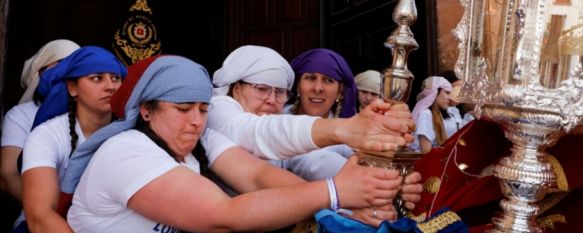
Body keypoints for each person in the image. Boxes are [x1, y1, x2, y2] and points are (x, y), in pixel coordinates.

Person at [65, 55, 421, 232]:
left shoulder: (199, 139)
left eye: (203, 109)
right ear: (146, 111)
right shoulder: (127, 150)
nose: (196, 120)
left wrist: (349, 202)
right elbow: (225, 216)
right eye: (182, 109)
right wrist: (335, 191)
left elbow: (258, 177)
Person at [20, 46, 126, 233]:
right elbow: (40, 217)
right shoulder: (46, 136)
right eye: (97, 78)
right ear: (72, 88)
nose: (111, 86)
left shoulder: (131, 135)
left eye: (115, 78)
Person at [1, 39, 79, 202]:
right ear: (41, 72)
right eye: (61, 63)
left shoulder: (90, 114)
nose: (68, 71)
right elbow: (8, 176)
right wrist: (49, 212)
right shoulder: (21, 115)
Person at [410, 76, 463, 154]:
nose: (450, 98)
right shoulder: (426, 113)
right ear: (435, 93)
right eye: (447, 93)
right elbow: (426, 151)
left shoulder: (439, 114)